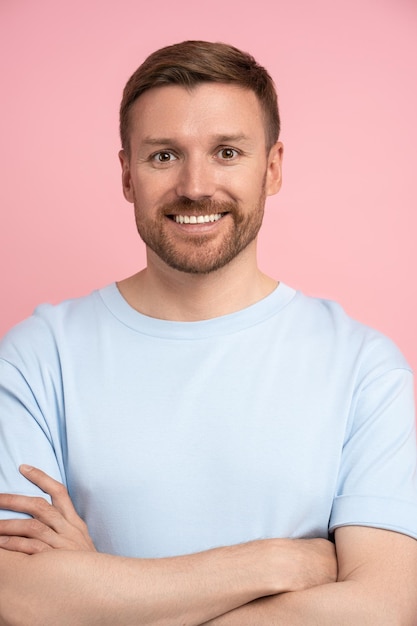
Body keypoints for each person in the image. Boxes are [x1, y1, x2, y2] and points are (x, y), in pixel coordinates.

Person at [0, 40, 416, 625]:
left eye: (226, 152)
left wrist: (97, 597)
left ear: (271, 169)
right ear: (126, 174)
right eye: (164, 156)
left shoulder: (365, 368)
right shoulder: (36, 357)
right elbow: (16, 597)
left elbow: (382, 609)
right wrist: (270, 563)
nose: (196, 186)